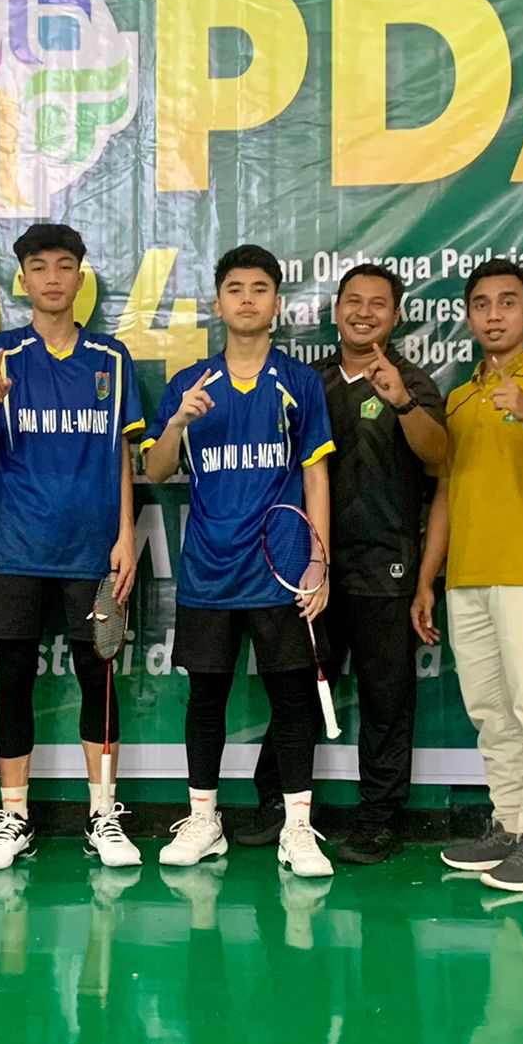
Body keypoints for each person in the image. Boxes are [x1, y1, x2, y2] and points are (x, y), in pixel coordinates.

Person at [0, 223, 146, 871]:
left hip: (93, 553)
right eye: (39, 267)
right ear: (23, 279)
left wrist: (126, 535)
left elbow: (122, 452)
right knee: (14, 682)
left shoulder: (111, 358)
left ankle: (103, 814)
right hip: (17, 551)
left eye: (64, 265)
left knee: (99, 680)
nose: (53, 277)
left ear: (80, 277)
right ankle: (13, 818)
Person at [144, 245, 337, 880]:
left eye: (259, 288)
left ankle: (298, 827)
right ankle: (204, 820)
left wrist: (318, 561)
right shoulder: (191, 383)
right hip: (209, 570)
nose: (247, 299)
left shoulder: (299, 383)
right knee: (206, 698)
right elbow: (156, 469)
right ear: (218, 302)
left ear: (277, 303)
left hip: (280, 569)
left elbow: (316, 475)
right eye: (235, 288)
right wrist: (177, 422)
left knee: (292, 699)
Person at [245, 263, 448, 863]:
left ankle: (380, 820)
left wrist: (402, 402)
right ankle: (278, 806)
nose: (364, 312)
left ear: (396, 315)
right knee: (298, 692)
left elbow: (441, 459)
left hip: (386, 569)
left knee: (386, 702)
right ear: (335, 312)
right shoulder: (310, 382)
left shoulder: (413, 383)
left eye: (377, 304)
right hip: (311, 569)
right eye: (352, 301)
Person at [414, 259, 523, 893]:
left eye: (507, 303)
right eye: (481, 304)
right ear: (468, 316)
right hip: (468, 576)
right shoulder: (459, 398)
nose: (493, 315)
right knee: (491, 711)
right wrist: (428, 579)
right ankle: (511, 826)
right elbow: (446, 494)